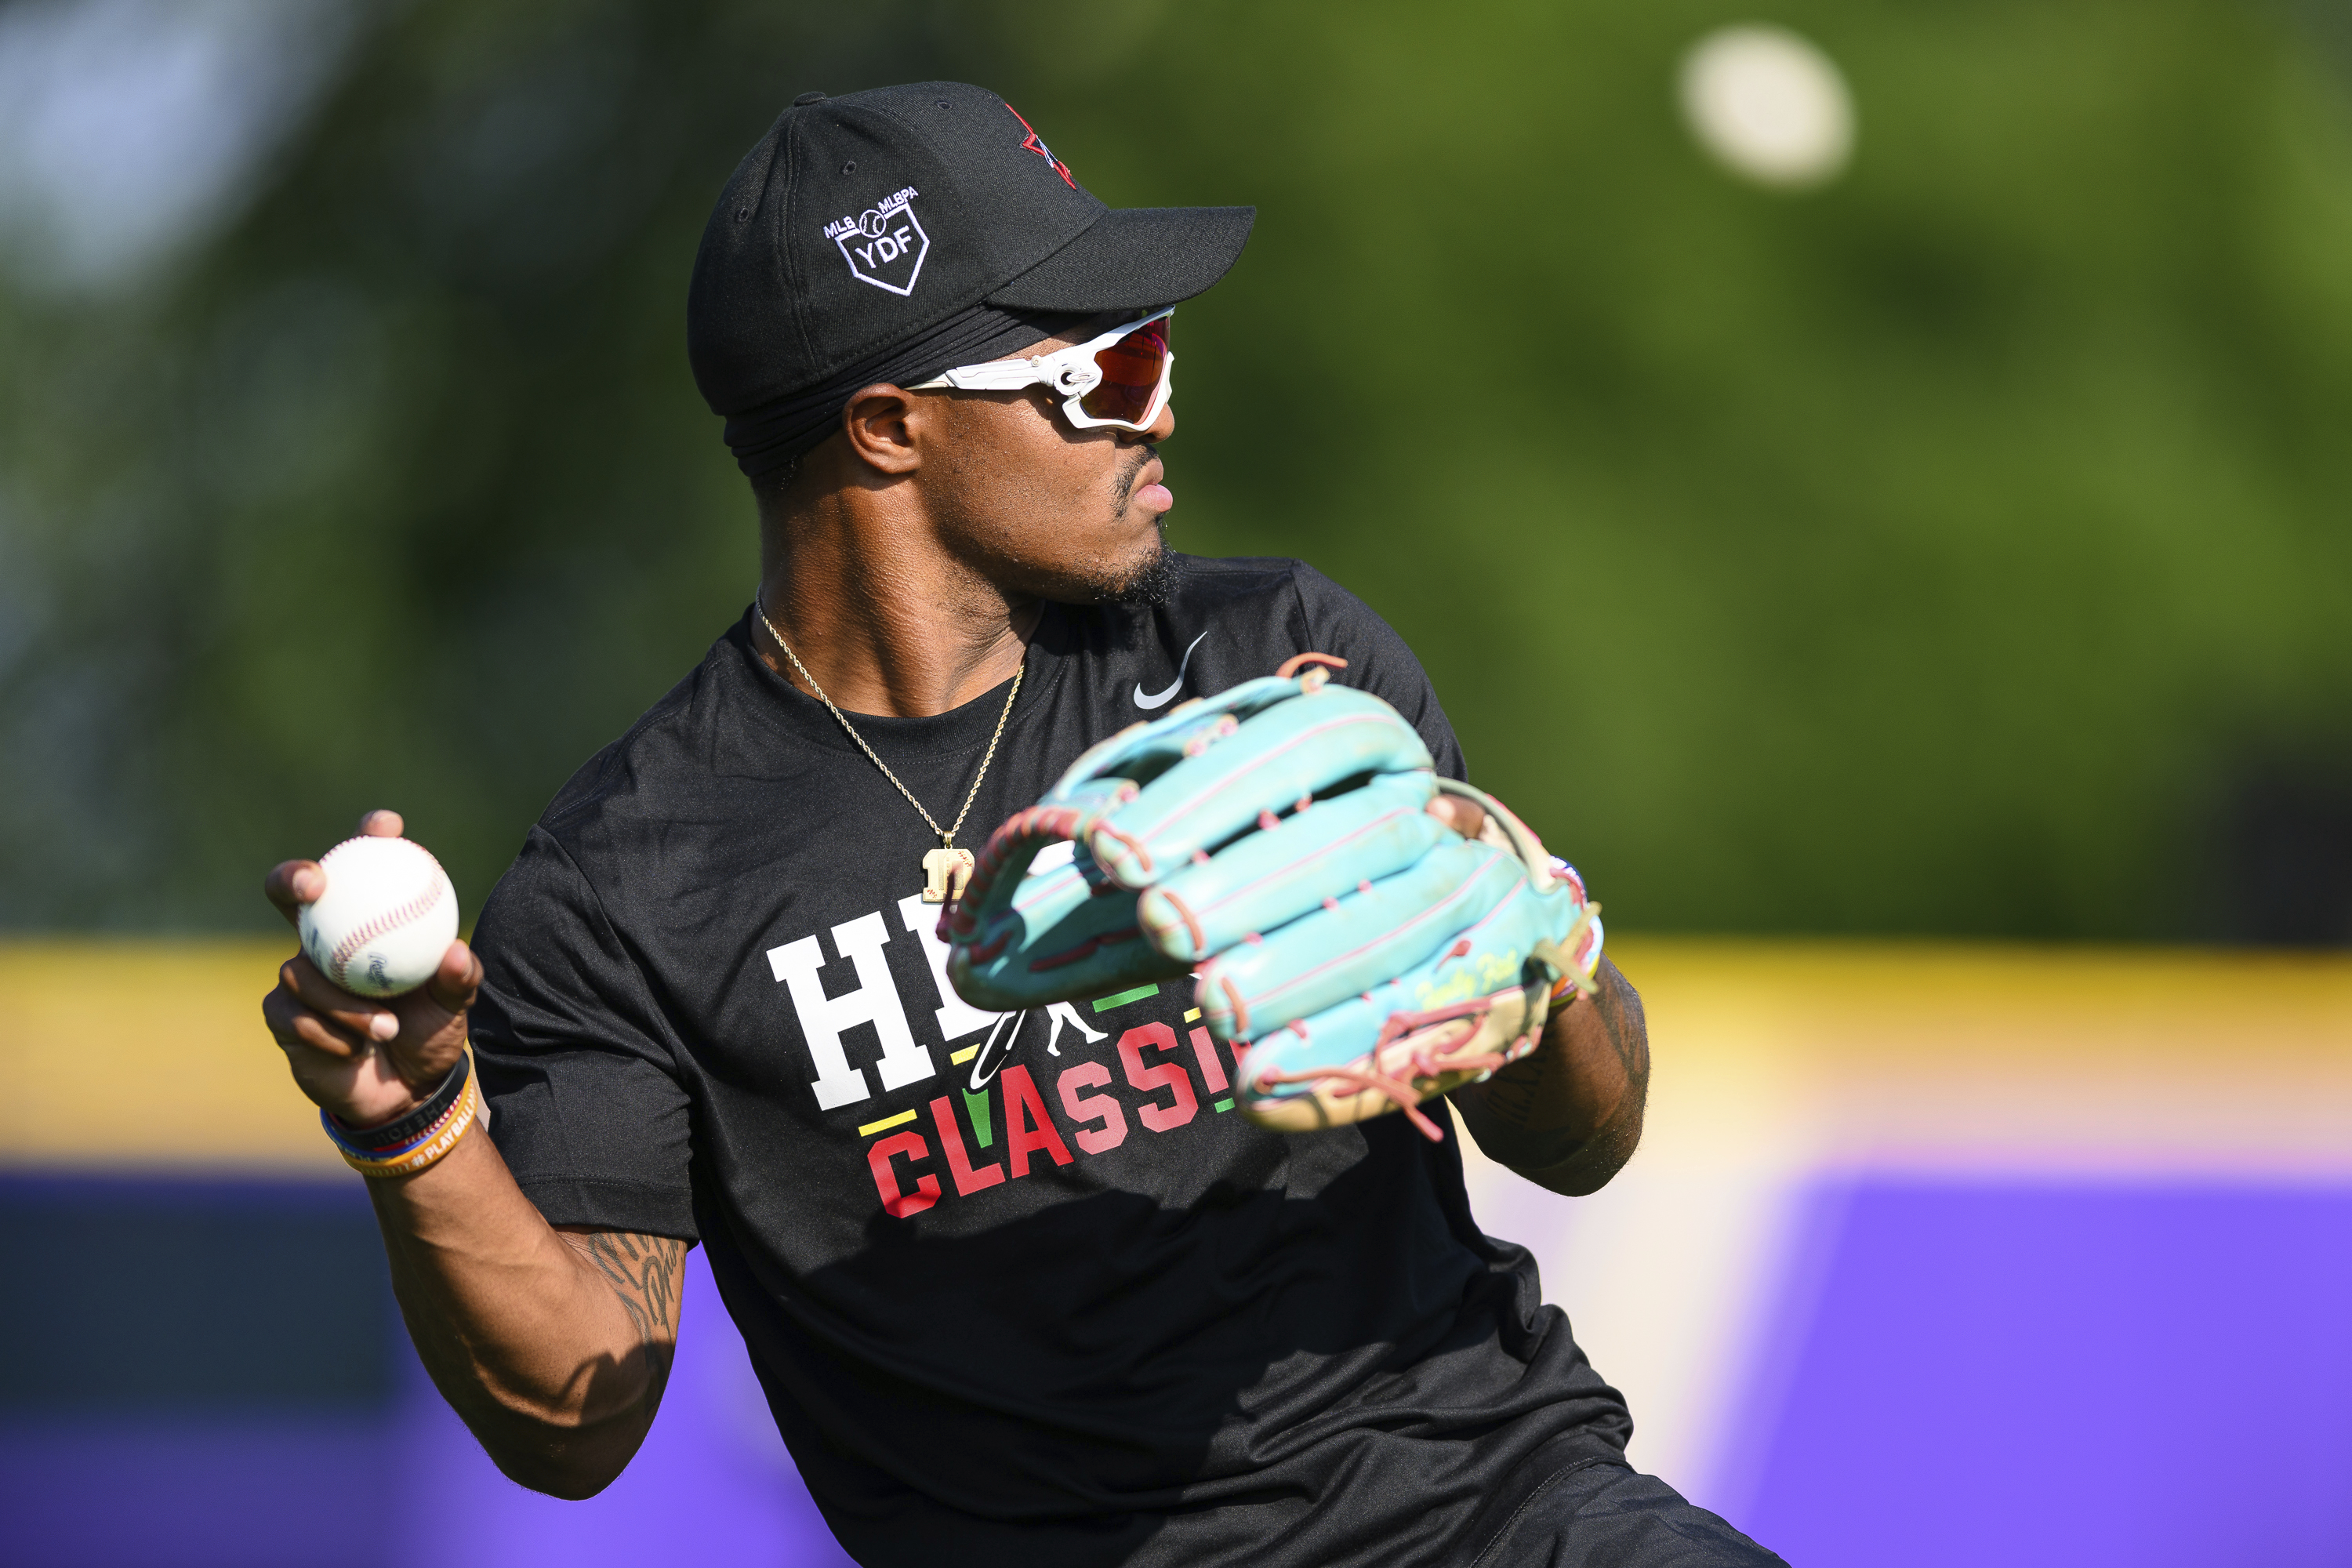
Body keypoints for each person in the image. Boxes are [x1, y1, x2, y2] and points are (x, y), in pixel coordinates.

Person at [261, 82, 1780, 1566]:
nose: (1163, 411)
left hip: (1502, 1515)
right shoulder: (628, 878)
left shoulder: (1273, 665)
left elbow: (1591, 1138)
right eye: (1107, 374)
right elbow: (573, 1417)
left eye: (1158, 351)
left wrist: (1519, 941)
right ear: (889, 428)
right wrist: (416, 1125)